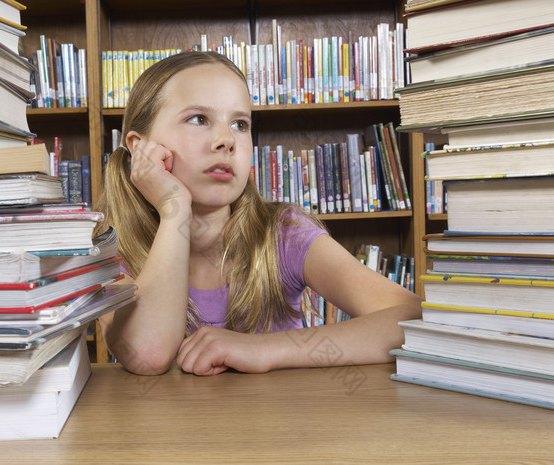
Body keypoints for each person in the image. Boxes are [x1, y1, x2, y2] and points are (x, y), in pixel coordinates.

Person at [93, 51, 422, 376]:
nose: (226, 141)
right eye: (198, 119)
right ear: (139, 149)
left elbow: (412, 319)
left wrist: (265, 349)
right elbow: (148, 356)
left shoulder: (282, 234)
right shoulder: (108, 255)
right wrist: (174, 209)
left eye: (240, 124)